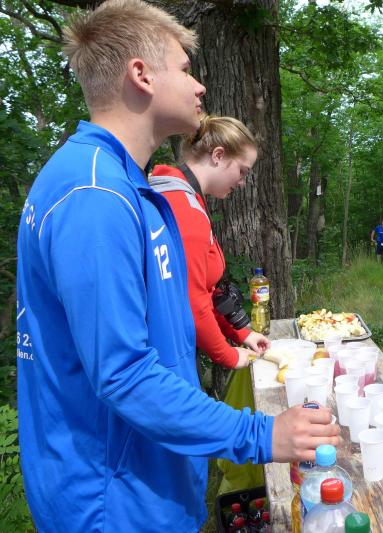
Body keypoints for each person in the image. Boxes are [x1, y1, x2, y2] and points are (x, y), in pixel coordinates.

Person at [15, 1, 338, 531]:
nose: (200, 86)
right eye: (186, 69)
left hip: (148, 482)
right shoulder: (94, 194)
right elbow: (124, 374)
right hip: (112, 500)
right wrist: (260, 434)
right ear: (141, 75)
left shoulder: (130, 186)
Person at [149, 114, 268, 369]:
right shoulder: (183, 208)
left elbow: (206, 290)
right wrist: (227, 355)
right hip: (165, 354)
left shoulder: (185, 197)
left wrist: (241, 333)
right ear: (218, 155)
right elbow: (193, 300)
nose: (242, 182)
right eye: (242, 171)